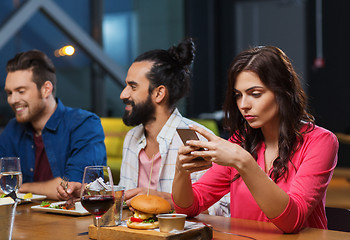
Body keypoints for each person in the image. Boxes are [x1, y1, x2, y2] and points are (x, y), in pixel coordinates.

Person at [171, 46, 338, 233]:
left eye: (255, 94)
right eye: (238, 95)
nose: (243, 105)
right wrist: (181, 170)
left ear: (283, 91)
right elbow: (187, 208)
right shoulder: (240, 141)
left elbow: (292, 221)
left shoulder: (321, 142)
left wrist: (243, 162)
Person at [57, 38, 230, 216]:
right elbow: (126, 201)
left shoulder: (195, 139)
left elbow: (224, 211)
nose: (123, 94)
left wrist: (168, 200)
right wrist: (90, 193)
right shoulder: (132, 137)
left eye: (132, 86)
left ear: (159, 93)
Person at [0, 50, 107, 199]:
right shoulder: (12, 129)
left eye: (21, 91)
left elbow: (72, 188)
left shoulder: (84, 124)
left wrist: (20, 188)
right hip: (22, 219)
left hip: (72, 221)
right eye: (9, 93)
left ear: (46, 89)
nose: (12, 100)